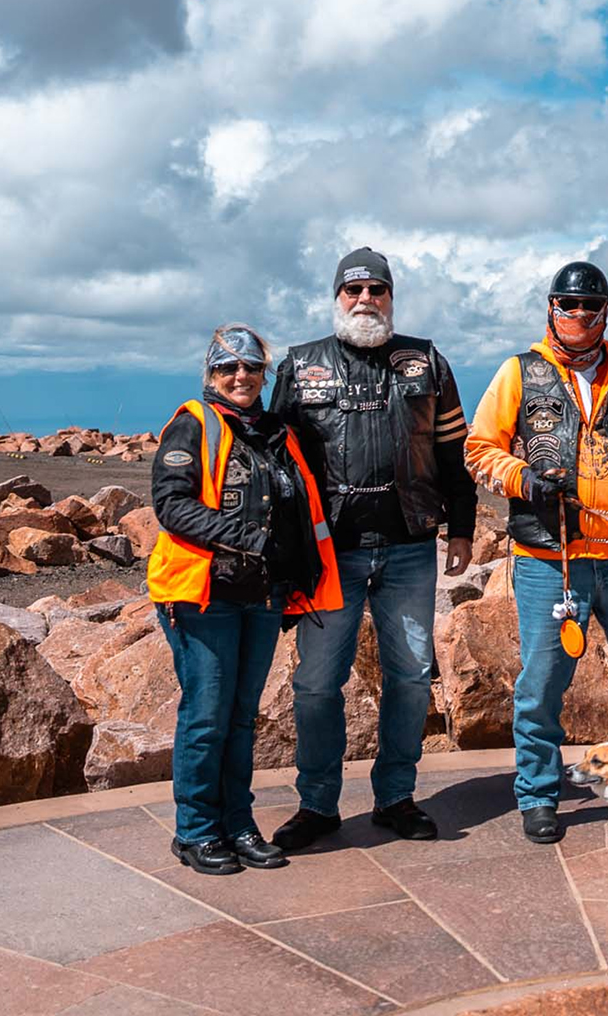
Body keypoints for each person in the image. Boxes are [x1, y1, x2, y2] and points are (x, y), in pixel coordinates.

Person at [466, 261, 608, 844]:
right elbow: (479, 449)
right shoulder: (520, 372)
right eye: (569, 305)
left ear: (606, 312)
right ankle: (538, 793)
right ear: (551, 309)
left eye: (591, 307)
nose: (580, 316)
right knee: (542, 681)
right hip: (549, 559)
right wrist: (525, 479)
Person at [268, 248, 478, 850]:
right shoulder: (301, 365)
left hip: (410, 547)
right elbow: (275, 461)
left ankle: (396, 797)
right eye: (353, 290)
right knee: (315, 686)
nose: (365, 300)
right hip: (329, 554)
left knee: (411, 678)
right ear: (337, 298)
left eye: (376, 290)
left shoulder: (425, 361)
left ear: (391, 297)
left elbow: (453, 454)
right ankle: (317, 806)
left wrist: (460, 529)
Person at [148, 324, 342, 875]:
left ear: (264, 374)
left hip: (260, 598)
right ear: (210, 374)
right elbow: (172, 506)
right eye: (228, 368)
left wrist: (297, 569)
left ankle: (237, 824)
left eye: (252, 368)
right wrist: (254, 539)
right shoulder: (194, 426)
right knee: (207, 715)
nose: (240, 377)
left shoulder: (274, 432)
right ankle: (195, 831)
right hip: (202, 596)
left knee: (240, 718)